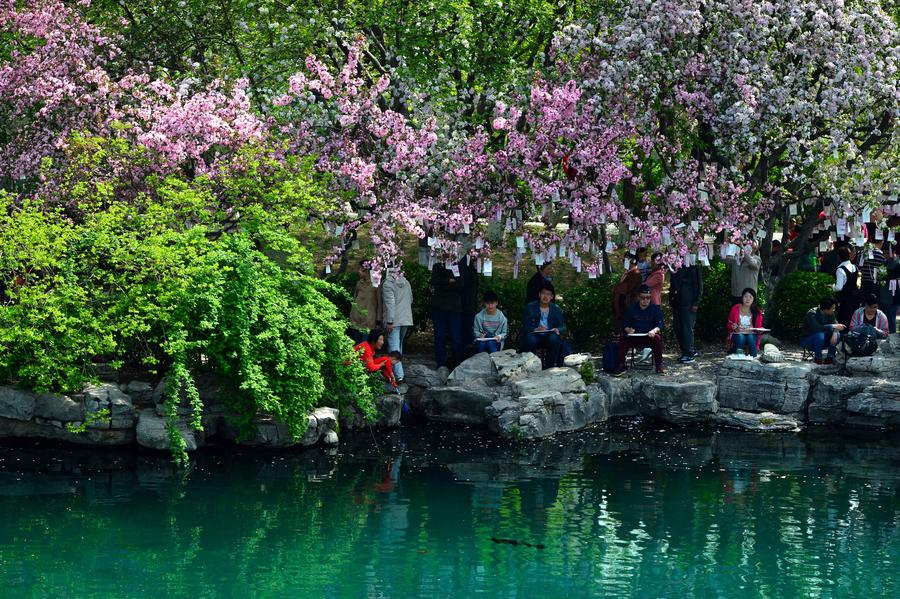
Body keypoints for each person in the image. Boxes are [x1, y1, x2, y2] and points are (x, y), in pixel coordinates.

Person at [611, 285, 666, 375]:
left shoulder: (655, 309)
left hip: (649, 337)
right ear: (638, 297)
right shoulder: (631, 309)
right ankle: (620, 364)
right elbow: (624, 324)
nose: (645, 300)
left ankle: (659, 365)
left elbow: (660, 324)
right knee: (623, 338)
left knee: (657, 338)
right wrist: (628, 329)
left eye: (648, 298)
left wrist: (654, 331)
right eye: (642, 298)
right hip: (634, 338)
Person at [522, 284, 565, 369]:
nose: (545, 296)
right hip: (535, 334)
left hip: (549, 335)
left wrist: (557, 329)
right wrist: (535, 329)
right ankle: (531, 366)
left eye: (548, 294)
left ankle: (549, 366)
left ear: (552, 297)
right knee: (530, 339)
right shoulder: (530, 307)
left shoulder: (556, 309)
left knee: (554, 338)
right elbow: (525, 326)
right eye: (543, 293)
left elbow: (562, 327)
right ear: (539, 294)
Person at [431, 262, 464, 369]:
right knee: (439, 337)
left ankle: (456, 362)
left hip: (454, 308)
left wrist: (444, 283)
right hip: (439, 307)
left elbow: (460, 284)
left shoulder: (456, 266)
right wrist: (449, 280)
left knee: (456, 337)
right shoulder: (438, 265)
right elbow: (434, 281)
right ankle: (440, 363)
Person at [669, 261, 703, 364]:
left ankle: (688, 353)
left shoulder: (693, 264)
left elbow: (699, 284)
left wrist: (696, 302)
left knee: (687, 328)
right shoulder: (674, 263)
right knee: (677, 327)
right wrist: (671, 298)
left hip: (689, 301)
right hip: (677, 301)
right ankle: (686, 351)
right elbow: (672, 282)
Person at [801, 297, 846, 364]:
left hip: (822, 341)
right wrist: (833, 326)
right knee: (820, 334)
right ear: (825, 309)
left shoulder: (830, 314)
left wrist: (835, 332)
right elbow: (816, 328)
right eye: (832, 308)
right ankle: (818, 358)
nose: (834, 310)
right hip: (808, 340)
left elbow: (836, 324)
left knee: (837, 334)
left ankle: (830, 358)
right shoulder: (812, 313)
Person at [382, 268, 414, 354]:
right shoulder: (407, 282)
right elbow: (410, 299)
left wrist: (389, 321)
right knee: (399, 347)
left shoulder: (387, 284)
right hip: (406, 318)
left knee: (394, 352)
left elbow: (390, 304)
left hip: (393, 321)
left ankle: (397, 368)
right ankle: (395, 367)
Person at [348, 261, 382, 344]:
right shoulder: (359, 283)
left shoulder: (375, 284)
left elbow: (379, 304)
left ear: (366, 271)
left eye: (361, 269)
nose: (358, 271)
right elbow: (354, 299)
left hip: (368, 320)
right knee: (356, 344)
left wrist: (378, 320)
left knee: (365, 344)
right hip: (356, 319)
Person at [726, 288, 764, 357]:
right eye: (745, 296)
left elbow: (759, 329)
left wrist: (759, 330)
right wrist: (733, 326)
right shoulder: (735, 309)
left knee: (751, 337)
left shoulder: (757, 312)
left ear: (753, 299)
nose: (748, 299)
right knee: (741, 337)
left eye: (750, 297)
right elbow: (729, 324)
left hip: (751, 334)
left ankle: (753, 358)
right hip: (738, 334)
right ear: (742, 297)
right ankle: (737, 356)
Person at [611, 259, 642, 331]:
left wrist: (617, 287)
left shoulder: (636, 273)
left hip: (630, 302)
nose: (625, 264)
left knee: (630, 327)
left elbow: (626, 288)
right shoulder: (628, 273)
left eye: (626, 262)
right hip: (624, 303)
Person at [833, 245, 860, 327]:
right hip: (855, 299)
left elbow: (839, 287)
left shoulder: (840, 269)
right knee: (853, 321)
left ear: (839, 257)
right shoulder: (855, 267)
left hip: (844, 301)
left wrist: (832, 287)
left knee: (843, 321)